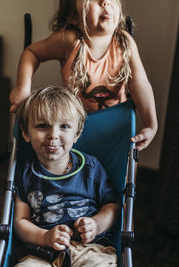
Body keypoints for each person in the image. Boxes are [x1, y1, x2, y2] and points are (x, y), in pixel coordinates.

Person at [10, 0, 158, 151]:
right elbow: (32, 53)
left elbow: (139, 83)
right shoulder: (69, 41)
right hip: (74, 127)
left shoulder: (125, 42)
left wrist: (151, 125)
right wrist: (23, 87)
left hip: (115, 125)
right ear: (73, 15)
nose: (105, 2)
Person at [14, 86, 120, 266]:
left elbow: (113, 206)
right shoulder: (25, 173)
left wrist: (96, 225)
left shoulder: (90, 167)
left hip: (89, 248)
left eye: (64, 126)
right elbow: (20, 221)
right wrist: (44, 236)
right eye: (42, 126)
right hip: (42, 251)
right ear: (25, 133)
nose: (53, 135)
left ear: (77, 133)